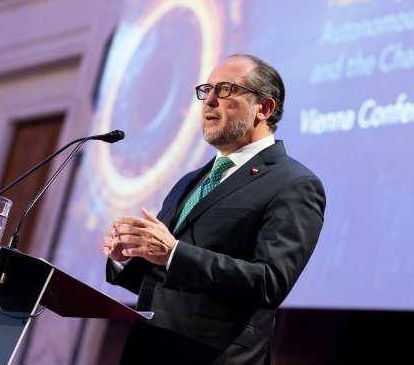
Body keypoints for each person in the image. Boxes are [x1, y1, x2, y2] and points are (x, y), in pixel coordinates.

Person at [101, 53, 326, 364]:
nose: (208, 101)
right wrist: (127, 257)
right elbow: (168, 278)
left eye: (225, 90)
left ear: (264, 108)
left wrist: (173, 253)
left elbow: (270, 282)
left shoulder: (293, 183)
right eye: (206, 90)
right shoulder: (191, 180)